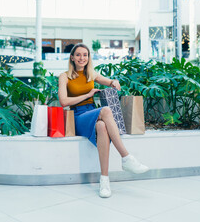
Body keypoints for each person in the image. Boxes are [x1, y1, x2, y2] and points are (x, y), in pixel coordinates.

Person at [58, 43, 149, 198]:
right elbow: (64, 101)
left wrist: (114, 82)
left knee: (102, 127)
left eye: (85, 55)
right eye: (78, 55)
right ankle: (126, 157)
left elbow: (109, 82)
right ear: (72, 57)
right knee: (106, 111)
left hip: (92, 113)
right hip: (77, 117)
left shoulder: (91, 74)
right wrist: (88, 95)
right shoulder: (64, 76)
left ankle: (104, 180)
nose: (82, 58)